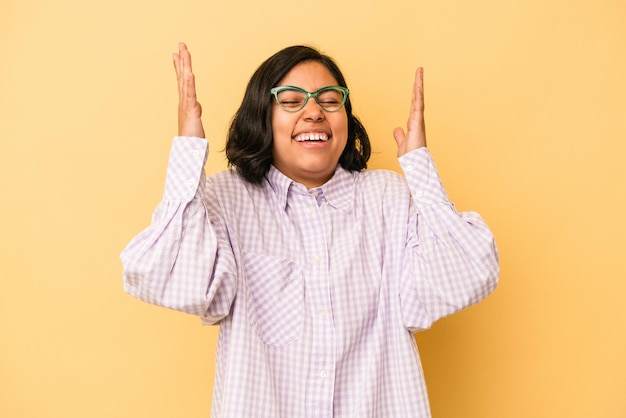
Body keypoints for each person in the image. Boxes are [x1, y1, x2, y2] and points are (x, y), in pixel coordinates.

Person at [121, 42, 499, 417]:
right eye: (290, 100)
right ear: (263, 116)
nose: (314, 111)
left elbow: (465, 277)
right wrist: (188, 148)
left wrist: (421, 170)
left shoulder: (390, 198)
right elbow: (169, 279)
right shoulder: (228, 199)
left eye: (330, 99)